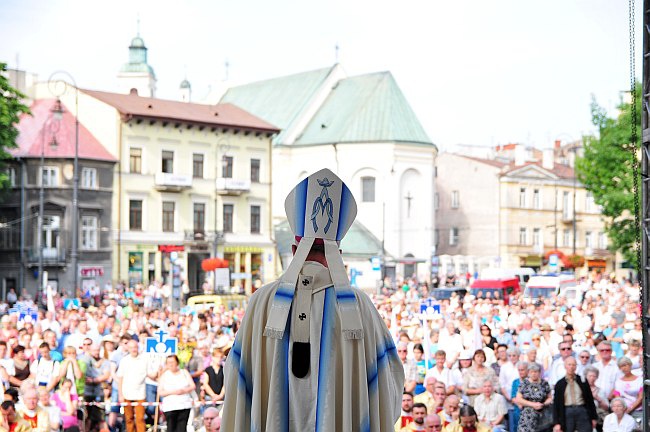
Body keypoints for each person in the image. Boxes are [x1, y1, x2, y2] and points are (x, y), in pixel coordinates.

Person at [222, 169, 404, 431]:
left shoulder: (261, 302)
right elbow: (388, 383)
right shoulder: (359, 305)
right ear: (337, 253)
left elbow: (236, 377)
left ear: (294, 250)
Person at [552, 357, 598, 432]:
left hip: (582, 410)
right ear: (565, 366)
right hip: (567, 411)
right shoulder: (560, 384)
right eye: (569, 364)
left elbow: (590, 400)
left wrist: (593, 417)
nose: (571, 367)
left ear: (576, 366)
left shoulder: (582, 380)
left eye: (573, 365)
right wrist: (556, 423)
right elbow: (556, 404)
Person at [117, 340, 150, 432]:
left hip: (140, 394)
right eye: (131, 348)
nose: (134, 349)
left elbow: (150, 374)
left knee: (140, 419)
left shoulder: (144, 360)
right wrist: (120, 394)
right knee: (129, 418)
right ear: (128, 349)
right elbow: (120, 378)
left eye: (135, 347)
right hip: (127, 393)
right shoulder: (124, 361)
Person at [158, 355, 195, 432]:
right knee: (171, 428)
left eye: (172, 362)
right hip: (170, 406)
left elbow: (192, 386)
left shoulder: (184, 372)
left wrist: (183, 391)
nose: (170, 364)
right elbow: (160, 391)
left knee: (182, 428)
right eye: (168, 363)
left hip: (184, 405)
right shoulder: (164, 375)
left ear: (177, 362)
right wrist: (173, 392)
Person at [514, 362, 552, 432]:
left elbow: (550, 398)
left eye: (536, 372)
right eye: (532, 372)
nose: (534, 374)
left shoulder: (544, 383)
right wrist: (532, 404)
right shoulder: (524, 383)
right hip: (527, 416)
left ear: (539, 372)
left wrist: (543, 404)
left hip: (543, 416)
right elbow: (518, 399)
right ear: (528, 372)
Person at [611, 356, 642, 421]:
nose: (624, 368)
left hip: (637, 411)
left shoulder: (640, 379)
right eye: (622, 366)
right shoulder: (618, 381)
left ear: (630, 365)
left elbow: (641, 397)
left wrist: (630, 408)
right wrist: (622, 409)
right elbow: (617, 397)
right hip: (622, 411)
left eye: (626, 365)